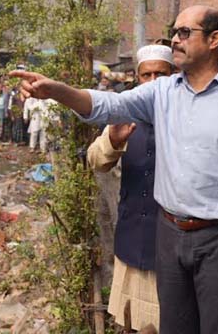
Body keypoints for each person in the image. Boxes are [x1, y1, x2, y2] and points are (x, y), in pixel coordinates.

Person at [11, 5, 218, 334]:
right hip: (170, 234)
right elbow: (107, 105)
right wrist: (57, 91)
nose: (175, 40)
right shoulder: (161, 93)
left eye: (185, 33)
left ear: (215, 39)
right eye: (174, 32)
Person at [86, 44, 174, 331]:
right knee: (131, 321)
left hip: (174, 244)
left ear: (173, 76)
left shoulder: (185, 115)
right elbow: (96, 160)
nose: (153, 82)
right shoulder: (126, 112)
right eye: (146, 75)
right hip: (133, 235)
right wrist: (112, 139)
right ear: (137, 78)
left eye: (160, 74)